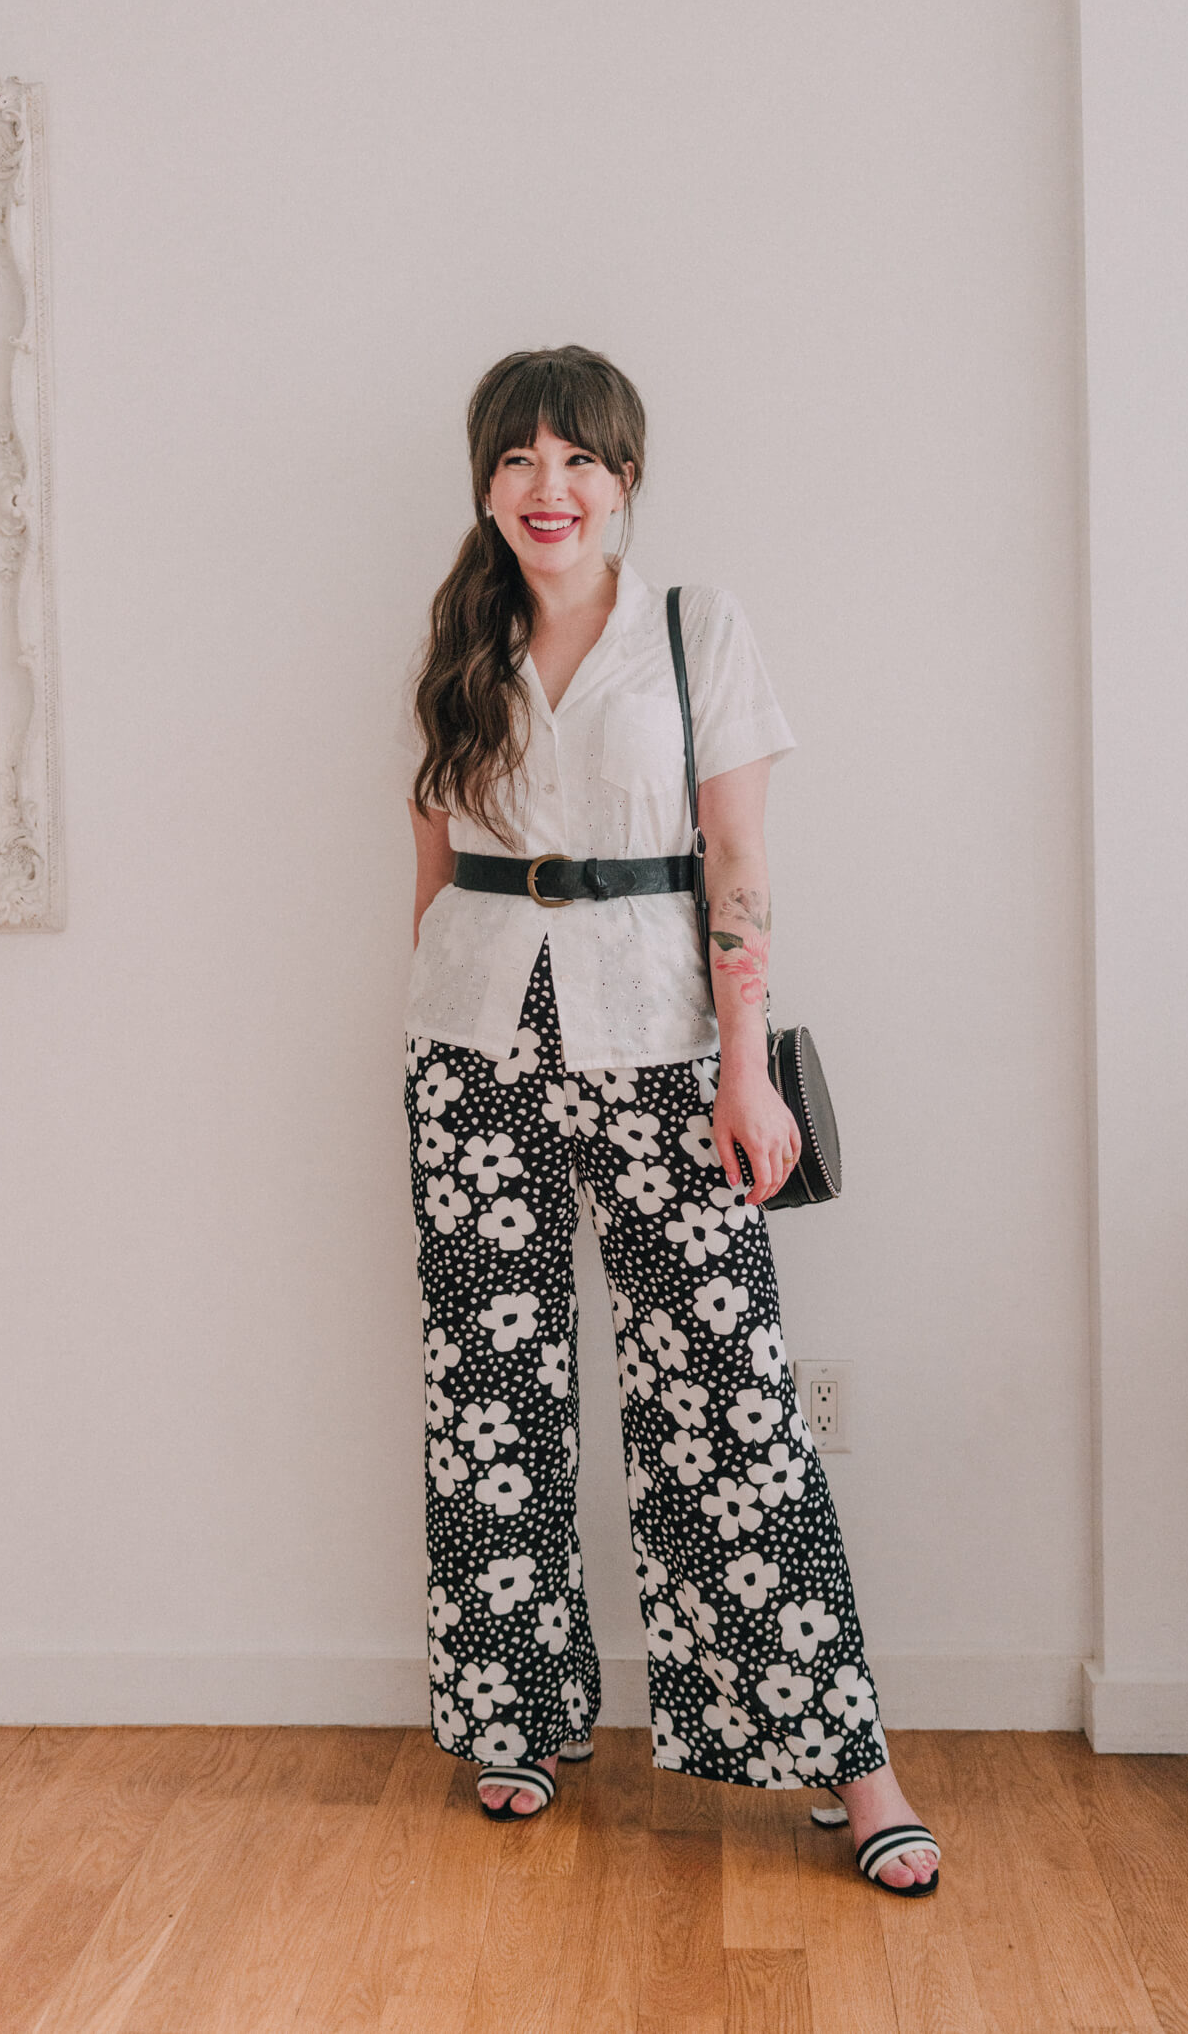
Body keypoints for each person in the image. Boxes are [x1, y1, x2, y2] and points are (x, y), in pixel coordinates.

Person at [399, 345, 940, 1895]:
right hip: (472, 1044)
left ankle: (853, 1767)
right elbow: (428, 867)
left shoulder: (696, 634)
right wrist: (428, 1025)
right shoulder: (457, 643)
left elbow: (739, 863)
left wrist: (747, 1061)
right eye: (517, 462)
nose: (545, 489)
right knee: (489, 1396)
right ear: (486, 484)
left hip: (662, 1043)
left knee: (731, 1403)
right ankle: (515, 1710)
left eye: (577, 460)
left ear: (625, 477)